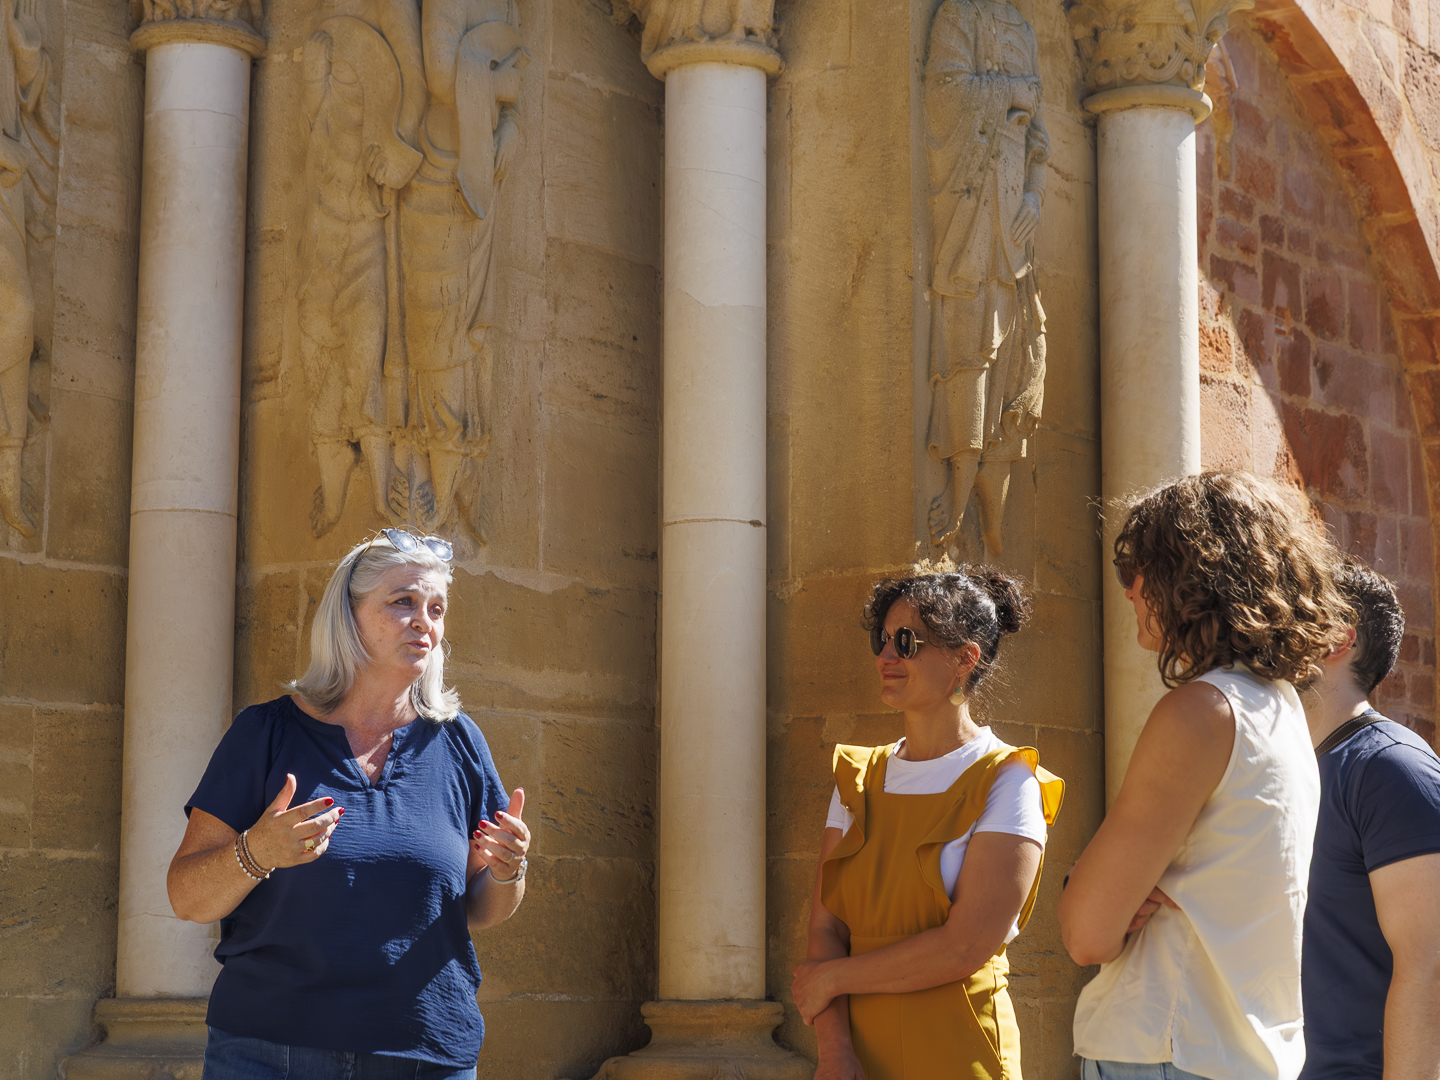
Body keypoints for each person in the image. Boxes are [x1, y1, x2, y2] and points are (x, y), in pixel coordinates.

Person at [167, 529, 530, 1080]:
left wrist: (508, 871)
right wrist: (258, 850)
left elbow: (480, 909)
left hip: (424, 1056)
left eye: (437, 608)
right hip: (269, 1053)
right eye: (402, 601)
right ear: (348, 615)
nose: (424, 621)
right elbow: (187, 897)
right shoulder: (265, 734)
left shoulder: (459, 744)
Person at [1061, 471, 1351, 1080]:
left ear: (1186, 575)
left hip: (1166, 1045)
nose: (1129, 591)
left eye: (1137, 571)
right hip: (1242, 1051)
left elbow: (1086, 933)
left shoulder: (1204, 710)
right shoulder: (1281, 707)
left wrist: (1089, 885)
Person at [790, 563, 1064, 1080]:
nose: (886, 656)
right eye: (882, 638)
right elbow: (825, 928)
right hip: (856, 1060)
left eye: (908, 641)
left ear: (965, 659)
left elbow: (964, 946)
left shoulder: (1008, 779)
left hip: (960, 1052)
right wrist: (834, 1051)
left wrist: (833, 979)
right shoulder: (857, 777)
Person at [1299, 559, 1440, 1080]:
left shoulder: (1390, 767)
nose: (1263, 630)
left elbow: (1429, 967)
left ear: (1338, 637)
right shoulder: (1283, 769)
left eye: (1287, 614)